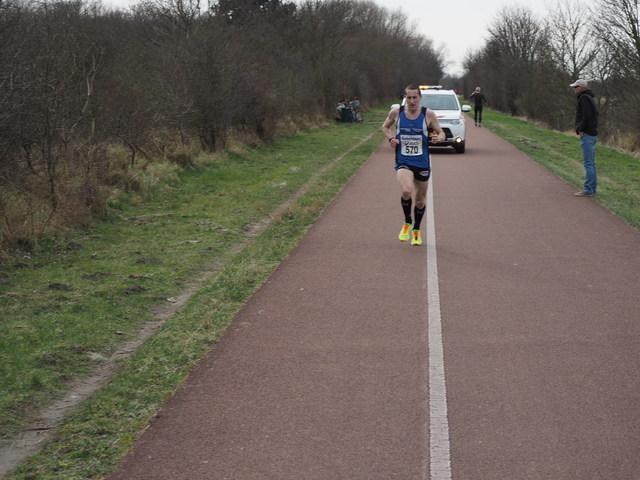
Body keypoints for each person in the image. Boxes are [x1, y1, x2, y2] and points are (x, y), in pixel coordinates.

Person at [382, 84, 445, 246]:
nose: (411, 101)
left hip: (422, 163)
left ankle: (416, 230)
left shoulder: (428, 114)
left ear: (420, 98)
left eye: (414, 97)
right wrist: (391, 139)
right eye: (408, 97)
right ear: (405, 98)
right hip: (404, 160)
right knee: (406, 190)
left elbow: (441, 132)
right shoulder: (396, 112)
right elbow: (385, 127)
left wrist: (439, 138)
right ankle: (407, 222)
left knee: (419, 201)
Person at [570, 79, 599, 197]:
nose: (574, 89)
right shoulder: (589, 97)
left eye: (576, 87)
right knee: (591, 163)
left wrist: (581, 129)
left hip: (587, 134)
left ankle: (588, 189)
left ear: (581, 87)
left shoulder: (584, 98)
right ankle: (591, 188)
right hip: (592, 133)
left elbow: (586, 116)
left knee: (588, 163)